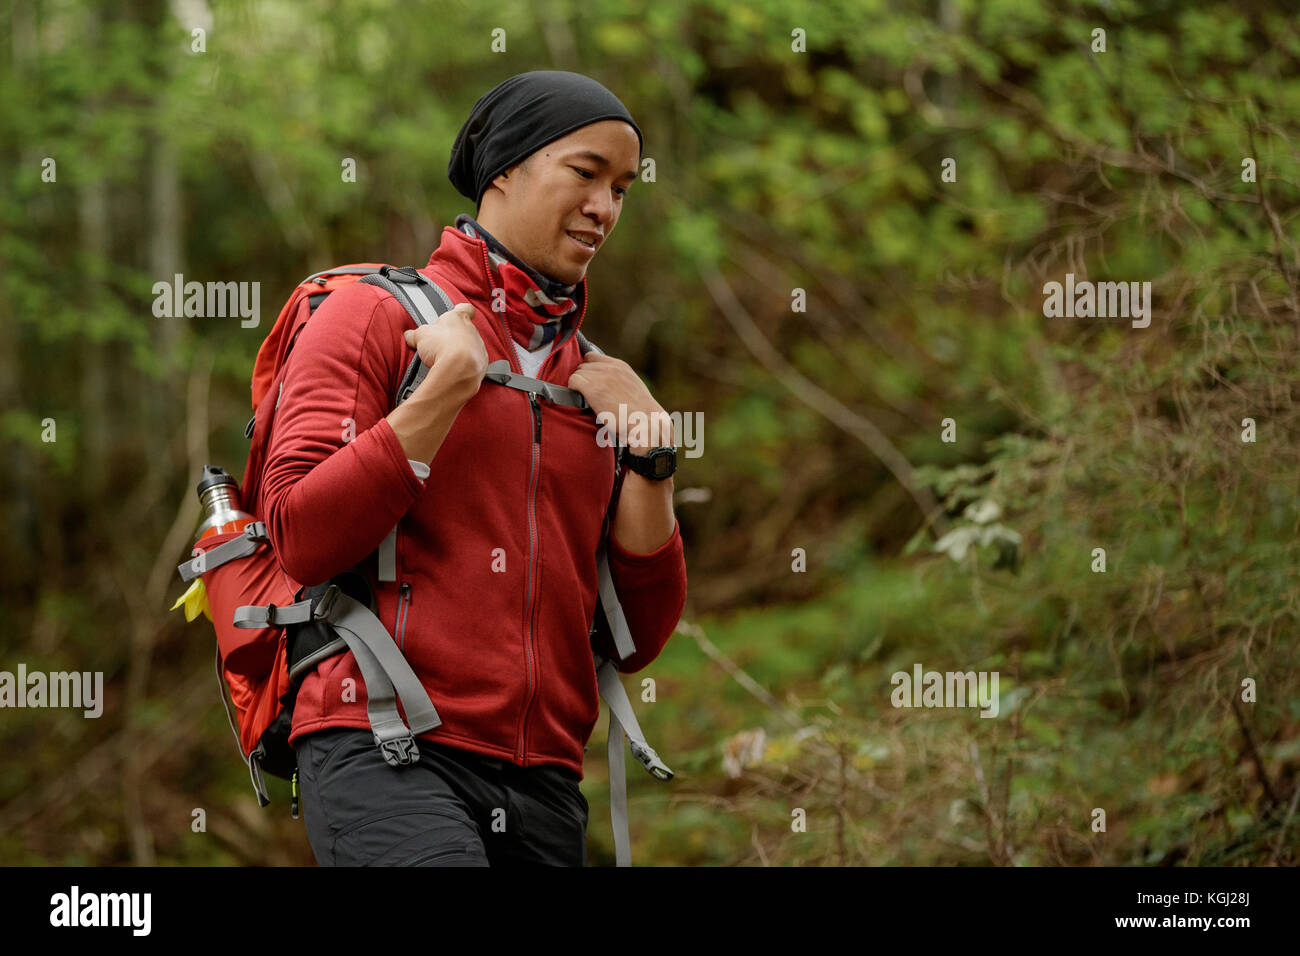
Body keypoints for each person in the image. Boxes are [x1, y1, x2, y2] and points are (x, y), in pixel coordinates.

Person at [258, 70, 688, 866]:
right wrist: (445, 392)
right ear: (503, 169)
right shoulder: (372, 315)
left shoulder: (592, 380)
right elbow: (301, 535)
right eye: (585, 173)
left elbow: (634, 636)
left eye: (623, 188)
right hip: (384, 742)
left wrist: (654, 459)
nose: (605, 207)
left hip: (546, 778)